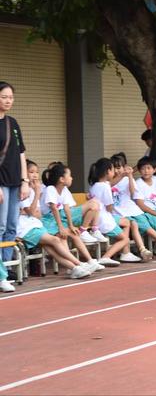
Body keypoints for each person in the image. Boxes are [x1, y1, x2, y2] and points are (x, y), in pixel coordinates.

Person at [17, 160, 91, 279]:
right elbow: (32, 212)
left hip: (35, 224)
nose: (35, 175)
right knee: (55, 241)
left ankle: (74, 268)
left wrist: (30, 210)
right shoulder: (23, 190)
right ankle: (79, 264)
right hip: (25, 228)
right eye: (31, 172)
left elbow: (37, 214)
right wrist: (36, 194)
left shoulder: (34, 189)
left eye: (36, 172)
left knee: (51, 249)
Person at [110, 153, 156, 261]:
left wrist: (129, 176)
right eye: (115, 168)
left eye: (119, 168)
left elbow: (132, 192)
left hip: (134, 211)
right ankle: (143, 250)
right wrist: (122, 175)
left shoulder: (127, 179)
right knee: (134, 225)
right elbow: (109, 185)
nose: (117, 171)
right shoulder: (109, 182)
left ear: (124, 167)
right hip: (120, 214)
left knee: (148, 229)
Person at [40, 163, 105, 273]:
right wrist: (61, 227)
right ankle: (74, 266)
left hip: (59, 218)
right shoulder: (50, 189)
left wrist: (71, 225)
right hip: (49, 221)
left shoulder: (64, 189)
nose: (72, 178)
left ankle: (89, 261)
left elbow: (67, 208)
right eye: (69, 175)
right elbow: (54, 209)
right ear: (61, 179)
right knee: (64, 236)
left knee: (73, 233)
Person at [88, 157, 148, 265]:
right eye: (112, 169)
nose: (114, 171)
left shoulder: (94, 185)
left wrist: (124, 175)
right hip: (105, 220)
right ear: (107, 172)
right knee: (124, 239)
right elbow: (109, 207)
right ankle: (106, 257)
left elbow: (112, 183)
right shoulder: (105, 187)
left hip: (97, 219)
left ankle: (126, 253)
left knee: (126, 222)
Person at [0, 82, 29, 265]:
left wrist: (24, 180)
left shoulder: (13, 123)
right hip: (1, 183)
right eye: (4, 97)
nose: (8, 101)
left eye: (11, 97)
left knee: (12, 226)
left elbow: (21, 152)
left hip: (15, 182)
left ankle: (7, 266)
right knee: (0, 225)